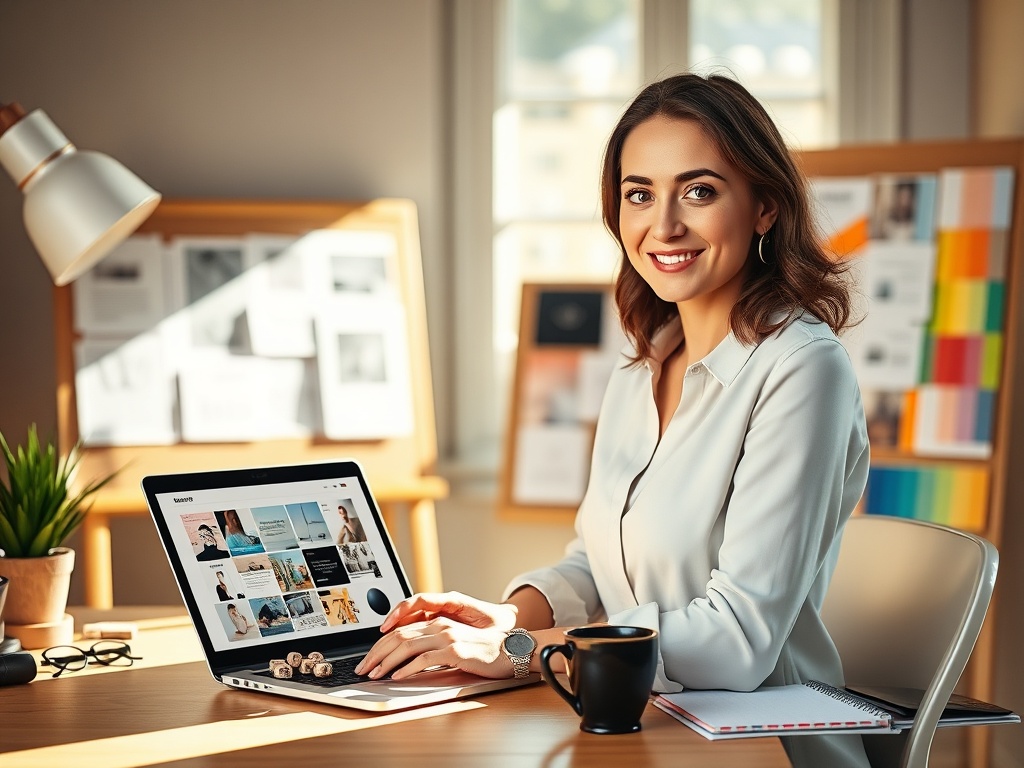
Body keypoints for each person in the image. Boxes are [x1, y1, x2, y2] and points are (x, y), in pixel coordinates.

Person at [354, 73, 870, 768]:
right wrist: (507, 617)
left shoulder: (803, 368)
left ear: (765, 208)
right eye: (639, 194)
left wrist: (519, 651)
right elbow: (598, 565)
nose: (664, 226)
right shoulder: (643, 364)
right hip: (640, 722)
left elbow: (737, 642)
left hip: (762, 745)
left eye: (699, 191)